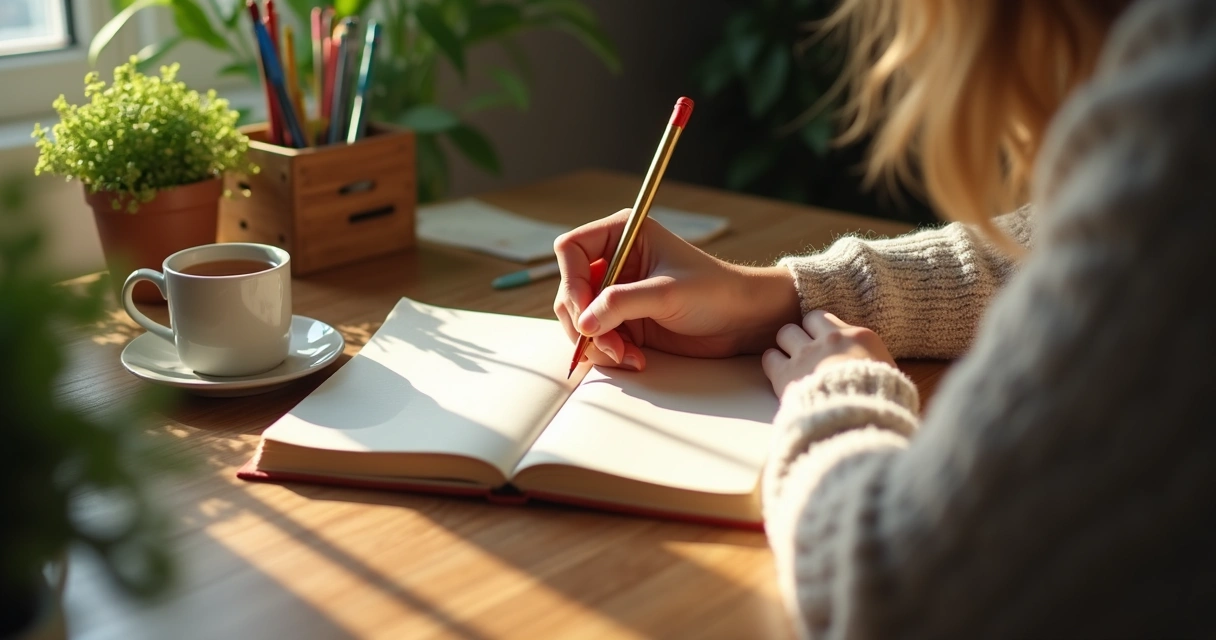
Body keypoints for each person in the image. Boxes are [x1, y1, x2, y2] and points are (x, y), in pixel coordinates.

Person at [552, 0, 1216, 636]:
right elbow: (1051, 246)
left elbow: (901, 594)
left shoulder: (1189, 96)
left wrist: (841, 390)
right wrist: (780, 299)